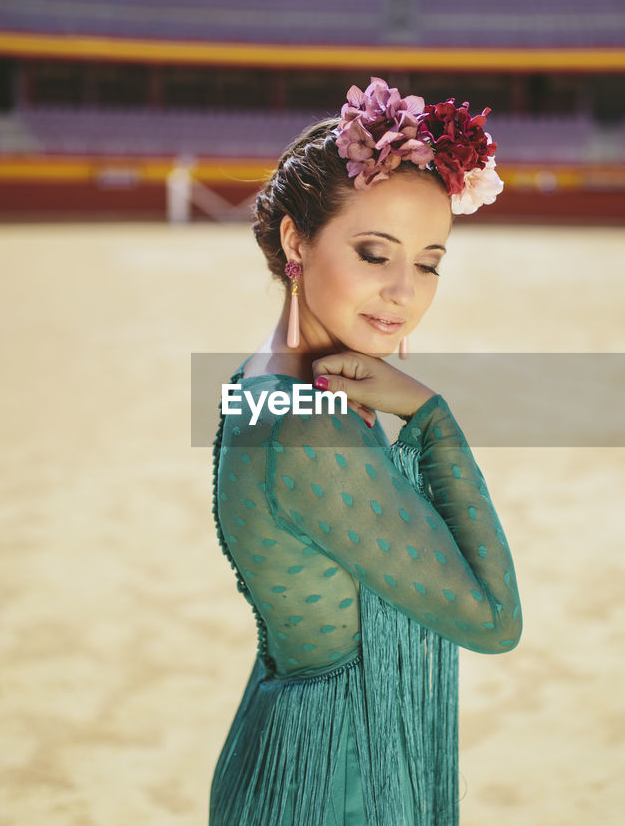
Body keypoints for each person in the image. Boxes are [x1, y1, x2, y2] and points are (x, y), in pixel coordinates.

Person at [209, 77, 521, 825]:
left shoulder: (261, 376)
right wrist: (429, 414)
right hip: (337, 781)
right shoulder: (315, 422)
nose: (404, 292)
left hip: (289, 744)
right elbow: (493, 618)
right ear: (295, 240)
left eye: (430, 261)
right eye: (375, 253)